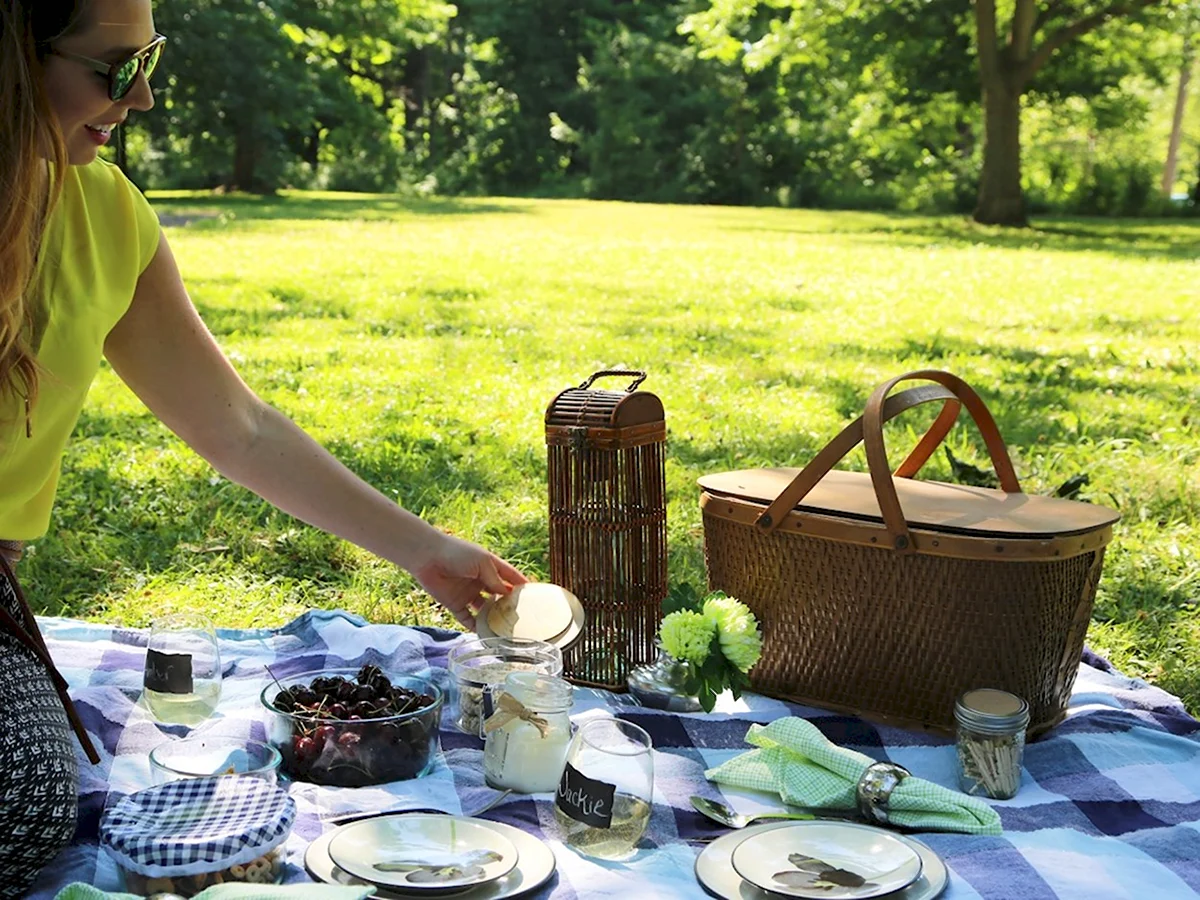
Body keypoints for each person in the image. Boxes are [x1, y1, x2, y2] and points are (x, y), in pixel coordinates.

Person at [0, 0, 527, 893]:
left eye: (149, 59)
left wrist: (426, 551)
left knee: (22, 807)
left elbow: (237, 428)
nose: (148, 96)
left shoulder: (105, 216)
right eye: (114, 67)